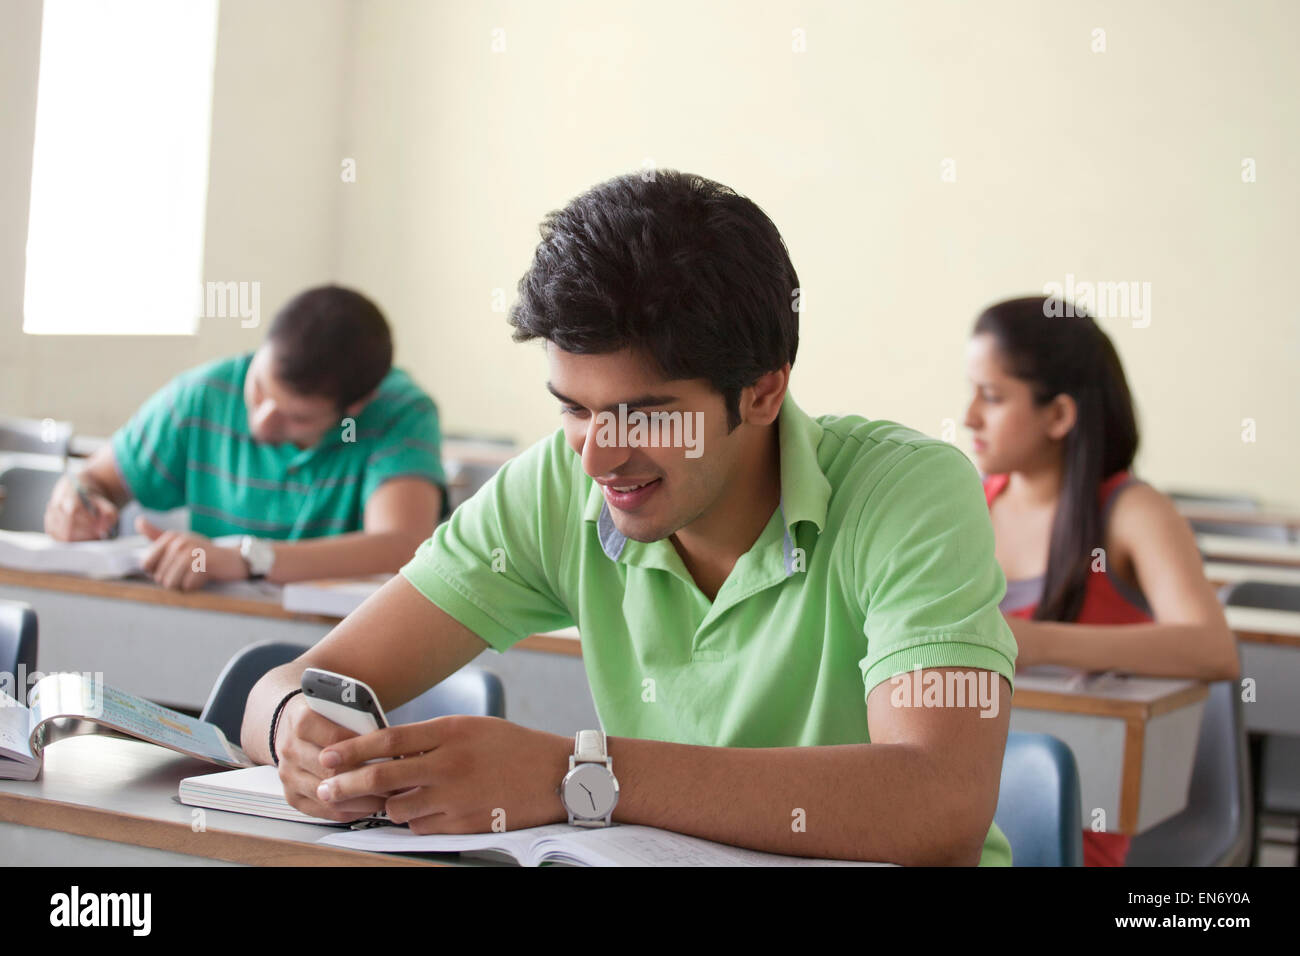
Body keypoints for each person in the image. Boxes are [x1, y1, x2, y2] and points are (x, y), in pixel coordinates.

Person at [243, 171, 1018, 865]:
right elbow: (288, 684)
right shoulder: (556, 484)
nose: (598, 459)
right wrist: (292, 731)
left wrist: (577, 772)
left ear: (762, 392)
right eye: (575, 410)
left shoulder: (909, 492)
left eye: (644, 416)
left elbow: (939, 800)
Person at [964, 295, 1240, 866]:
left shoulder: (1134, 513)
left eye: (991, 397)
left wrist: (1036, 644)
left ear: (1059, 415)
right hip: (972, 796)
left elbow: (1215, 650)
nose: (969, 417)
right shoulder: (971, 507)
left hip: (1080, 812)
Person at [44, 284, 447, 589]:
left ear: (356, 407)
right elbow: (94, 480)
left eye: (297, 418)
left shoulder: (401, 414)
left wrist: (249, 558)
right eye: (259, 389)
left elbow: (401, 546)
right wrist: (77, 501)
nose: (263, 424)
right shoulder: (203, 394)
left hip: (333, 655)